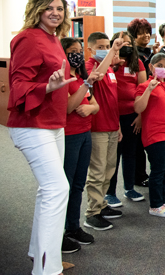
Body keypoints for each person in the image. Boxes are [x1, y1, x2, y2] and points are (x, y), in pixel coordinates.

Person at [7, 0, 76, 275]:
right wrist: (47, 87)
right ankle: (48, 270)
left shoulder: (54, 39)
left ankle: (41, 255)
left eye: (60, 9)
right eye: (49, 8)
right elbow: (18, 84)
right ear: (36, 10)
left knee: (47, 191)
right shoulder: (27, 38)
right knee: (57, 189)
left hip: (53, 123)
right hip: (31, 124)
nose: (55, 13)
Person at [61, 37, 101, 253]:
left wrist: (90, 108)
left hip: (85, 133)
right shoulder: (64, 80)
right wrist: (84, 102)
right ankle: (58, 233)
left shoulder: (81, 79)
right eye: (71, 51)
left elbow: (94, 104)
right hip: (69, 136)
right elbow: (69, 107)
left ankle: (73, 227)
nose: (76, 55)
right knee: (64, 185)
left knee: (78, 183)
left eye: (79, 51)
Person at [83, 31, 127, 231]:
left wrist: (117, 125)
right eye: (100, 47)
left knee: (109, 169)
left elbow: (112, 99)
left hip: (111, 125)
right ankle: (92, 213)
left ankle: (101, 205)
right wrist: (112, 52)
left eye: (106, 46)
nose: (105, 50)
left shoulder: (111, 69)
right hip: (97, 127)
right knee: (98, 171)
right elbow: (96, 76)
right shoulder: (90, 66)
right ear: (90, 49)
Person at [134, 53, 165, 217]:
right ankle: (155, 204)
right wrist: (149, 89)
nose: (163, 69)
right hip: (155, 134)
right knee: (158, 170)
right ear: (151, 67)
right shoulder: (144, 86)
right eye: (159, 65)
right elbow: (138, 108)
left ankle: (163, 200)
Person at [105, 32, 147, 208]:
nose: (126, 46)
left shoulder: (137, 63)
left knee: (130, 153)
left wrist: (140, 116)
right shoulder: (108, 63)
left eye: (129, 43)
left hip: (132, 116)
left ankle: (129, 188)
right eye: (122, 43)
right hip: (112, 115)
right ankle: (110, 193)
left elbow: (143, 90)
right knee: (113, 156)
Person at [125, 19, 152, 187]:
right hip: (128, 109)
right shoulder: (130, 57)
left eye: (147, 31)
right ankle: (135, 178)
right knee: (132, 149)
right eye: (140, 32)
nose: (145, 35)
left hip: (145, 104)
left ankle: (141, 175)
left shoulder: (147, 54)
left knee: (142, 145)